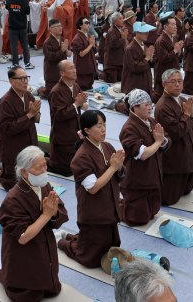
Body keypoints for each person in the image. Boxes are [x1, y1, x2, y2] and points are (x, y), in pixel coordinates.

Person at [0, 146, 69, 301]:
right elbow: (23, 237)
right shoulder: (12, 200)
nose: (45, 171)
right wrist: (46, 215)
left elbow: (61, 211)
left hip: (45, 244)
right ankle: (2, 273)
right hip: (24, 252)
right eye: (40, 168)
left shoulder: (44, 185)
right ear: (24, 172)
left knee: (52, 289)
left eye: (45, 165)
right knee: (29, 296)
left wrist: (54, 212)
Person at [58, 110, 125, 268]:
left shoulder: (107, 146)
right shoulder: (81, 157)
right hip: (94, 211)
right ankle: (61, 242)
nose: (103, 129)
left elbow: (120, 174)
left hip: (110, 207)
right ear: (87, 130)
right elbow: (93, 188)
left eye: (104, 125)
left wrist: (120, 168)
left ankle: (73, 237)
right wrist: (113, 167)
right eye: (99, 125)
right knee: (90, 259)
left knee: (111, 248)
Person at [118, 89, 167, 226]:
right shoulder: (128, 128)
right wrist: (158, 142)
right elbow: (142, 154)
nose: (150, 107)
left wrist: (162, 141)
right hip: (136, 180)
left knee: (153, 211)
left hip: (152, 175)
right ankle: (115, 206)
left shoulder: (150, 121)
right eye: (146, 105)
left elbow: (164, 139)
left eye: (151, 104)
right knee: (138, 220)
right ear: (135, 107)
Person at [155, 69, 193, 205]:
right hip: (175, 160)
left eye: (180, 81)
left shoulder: (183, 100)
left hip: (189, 155)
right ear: (164, 84)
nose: (178, 85)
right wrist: (187, 115)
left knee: (187, 192)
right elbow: (177, 132)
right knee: (168, 200)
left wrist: (191, 115)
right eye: (173, 82)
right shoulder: (162, 106)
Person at [0, 67, 41, 190]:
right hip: (12, 148)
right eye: (21, 78)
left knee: (33, 180)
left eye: (26, 78)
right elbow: (8, 128)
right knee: (11, 184)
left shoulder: (28, 95)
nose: (25, 81)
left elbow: (36, 119)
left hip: (29, 143)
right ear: (11, 81)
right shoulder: (5, 101)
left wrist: (36, 113)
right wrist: (30, 114)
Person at [48, 60, 87, 176]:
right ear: (62, 73)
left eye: (74, 67)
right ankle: (44, 160)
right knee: (65, 170)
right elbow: (59, 115)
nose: (74, 70)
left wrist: (83, 102)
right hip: (62, 135)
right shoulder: (56, 91)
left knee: (77, 166)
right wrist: (77, 104)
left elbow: (80, 103)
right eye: (70, 68)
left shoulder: (75, 85)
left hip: (76, 132)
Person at [153, 15, 183, 99]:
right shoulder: (161, 40)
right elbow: (163, 58)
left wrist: (179, 50)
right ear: (165, 26)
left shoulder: (174, 37)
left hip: (173, 70)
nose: (175, 27)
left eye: (176, 24)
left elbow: (177, 54)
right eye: (173, 24)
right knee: (161, 95)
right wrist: (175, 50)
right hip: (164, 71)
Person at [122, 22, 155, 96]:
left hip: (143, 82)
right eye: (144, 32)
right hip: (134, 85)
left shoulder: (144, 45)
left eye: (147, 31)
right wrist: (147, 58)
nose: (147, 33)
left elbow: (149, 62)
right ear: (137, 33)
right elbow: (134, 68)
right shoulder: (130, 49)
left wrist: (151, 58)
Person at [5, 0, 32, 68]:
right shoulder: (25, 0)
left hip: (12, 27)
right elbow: (27, 12)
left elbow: (7, 8)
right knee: (25, 46)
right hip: (22, 26)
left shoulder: (9, 0)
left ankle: (15, 63)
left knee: (14, 46)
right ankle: (27, 63)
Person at [42, 19, 68, 96]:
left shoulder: (62, 39)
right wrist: (62, 51)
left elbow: (66, 52)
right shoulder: (47, 42)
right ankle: (40, 91)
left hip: (62, 72)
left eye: (60, 26)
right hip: (52, 72)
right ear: (51, 29)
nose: (60, 28)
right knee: (52, 94)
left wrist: (67, 52)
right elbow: (51, 57)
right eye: (57, 26)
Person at [71, 16, 97, 90]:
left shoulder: (87, 36)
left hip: (89, 67)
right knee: (81, 88)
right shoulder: (77, 38)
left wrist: (93, 45)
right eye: (86, 23)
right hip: (82, 68)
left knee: (89, 87)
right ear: (80, 25)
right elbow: (81, 54)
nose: (88, 24)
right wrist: (91, 44)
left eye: (89, 22)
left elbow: (93, 51)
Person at [102, 13, 128, 83]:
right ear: (115, 21)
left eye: (122, 18)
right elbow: (114, 44)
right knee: (112, 80)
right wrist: (123, 39)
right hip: (112, 62)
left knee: (120, 79)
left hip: (119, 61)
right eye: (120, 19)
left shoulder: (119, 30)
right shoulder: (111, 31)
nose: (123, 20)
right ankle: (98, 74)